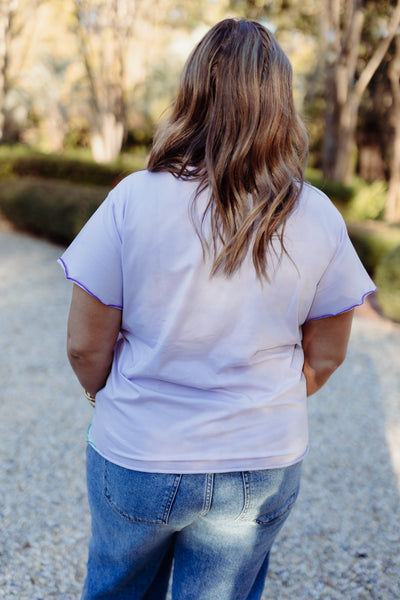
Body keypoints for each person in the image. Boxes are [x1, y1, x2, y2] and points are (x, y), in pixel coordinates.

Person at [58, 18, 376, 600]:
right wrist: (256, 400)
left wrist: (103, 394)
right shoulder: (319, 214)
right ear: (281, 101)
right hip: (259, 460)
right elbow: (326, 355)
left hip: (137, 451)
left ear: (192, 93)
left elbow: (84, 343)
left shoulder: (133, 198)